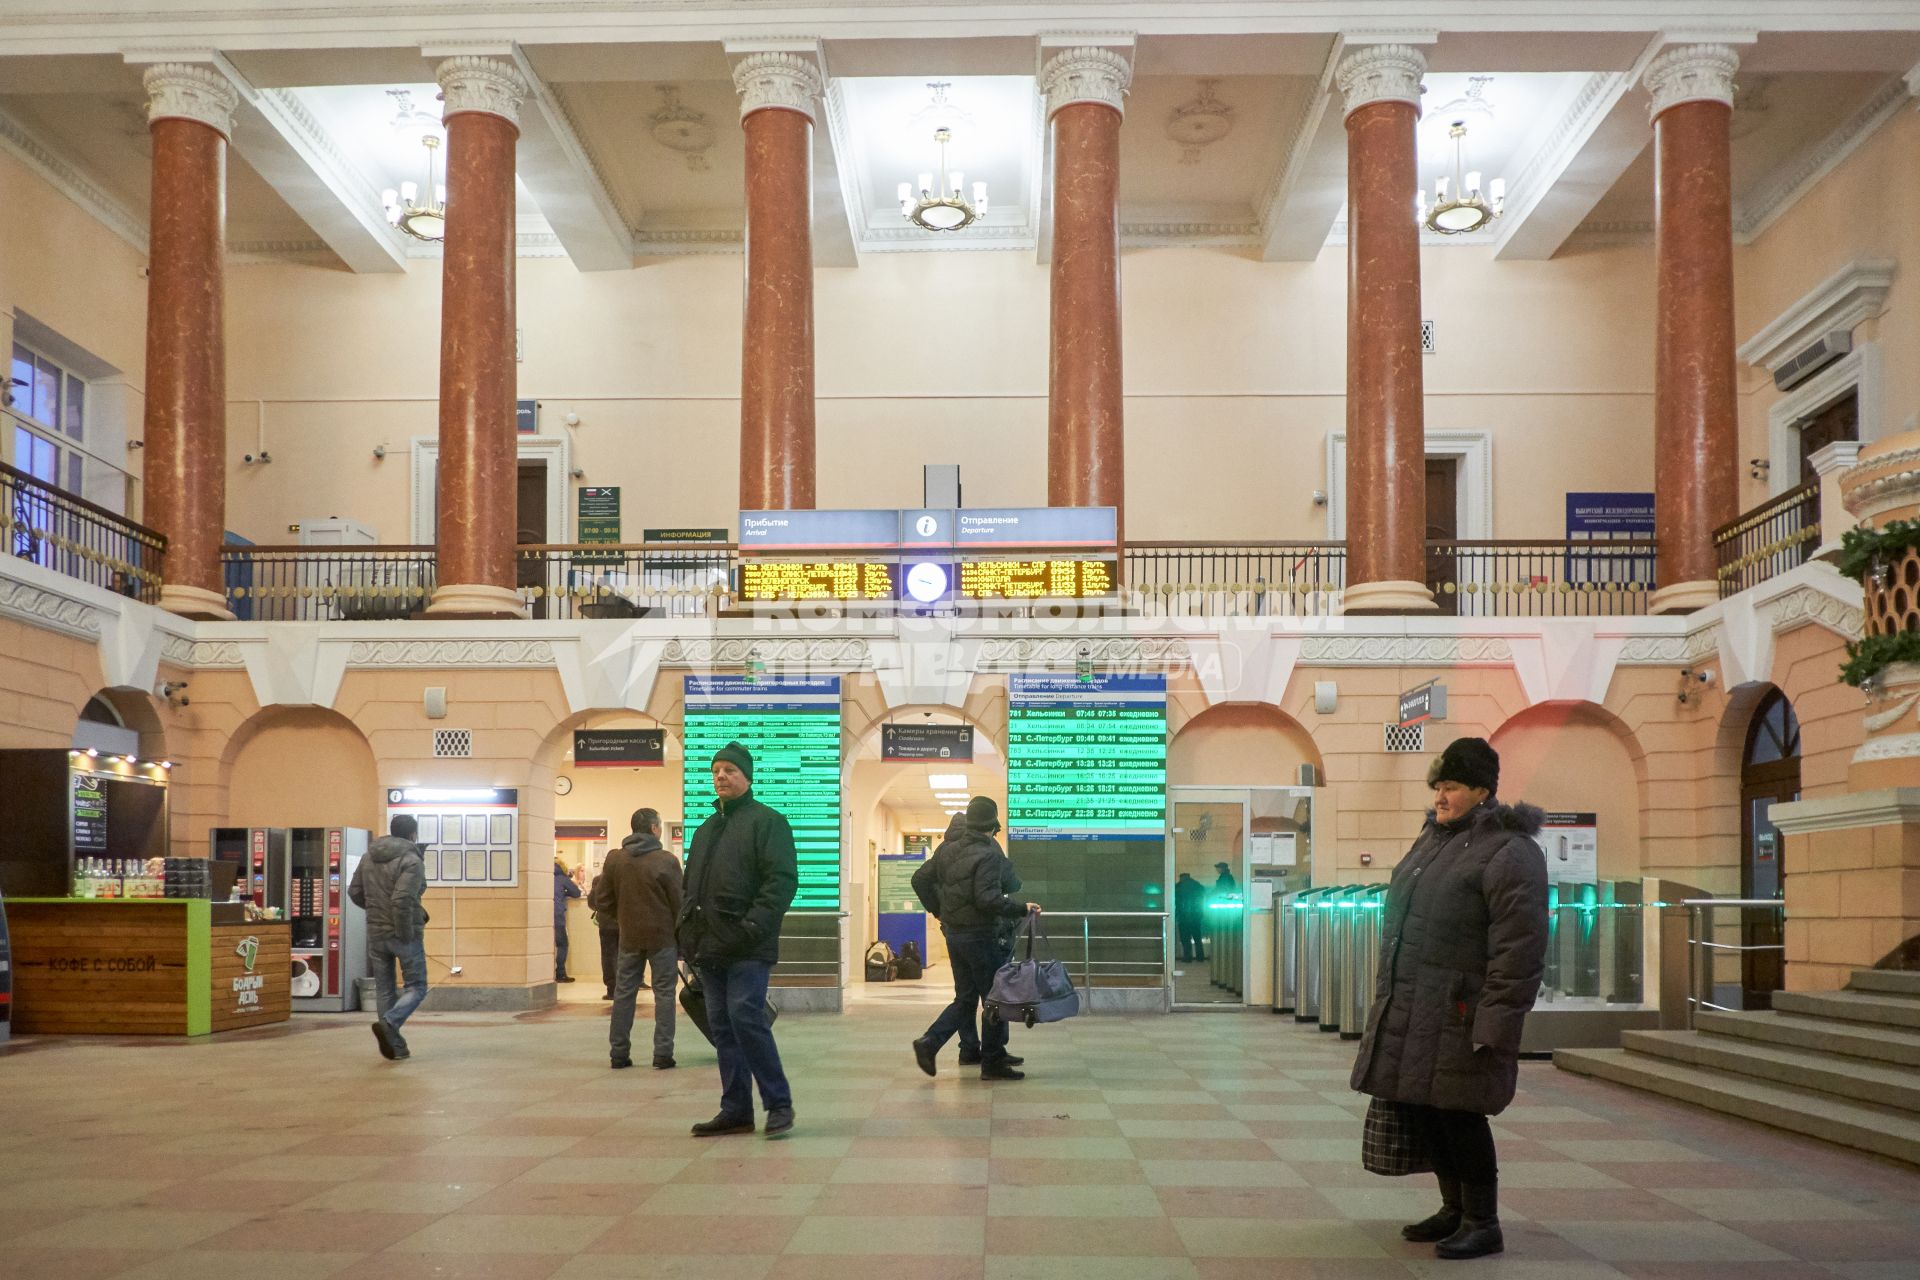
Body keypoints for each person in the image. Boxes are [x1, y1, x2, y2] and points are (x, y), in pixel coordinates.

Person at [1350, 736, 1548, 1262]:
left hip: (1463, 1009)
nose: (1440, 796)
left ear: (1483, 790)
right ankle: (1453, 1207)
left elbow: (1519, 946)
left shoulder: (1510, 851)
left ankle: (1484, 1221)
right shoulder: (1434, 840)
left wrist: (1498, 1020)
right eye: (1437, 786)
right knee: (1428, 1109)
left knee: (1461, 1114)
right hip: (1418, 1003)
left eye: (1452, 786)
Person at [677, 741, 799, 1138]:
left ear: (747, 776)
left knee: (747, 1019)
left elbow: (780, 883)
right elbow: (690, 887)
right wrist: (686, 939)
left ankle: (778, 1104)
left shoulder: (769, 822)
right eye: (716, 771)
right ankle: (736, 1110)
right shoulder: (707, 829)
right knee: (722, 1028)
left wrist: (751, 927)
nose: (721, 777)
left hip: (747, 945)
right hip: (708, 948)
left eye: (729, 770)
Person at [910, 796, 1039, 1082]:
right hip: (981, 935)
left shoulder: (947, 850)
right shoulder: (990, 854)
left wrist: (939, 911)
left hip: (955, 934)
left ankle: (931, 1042)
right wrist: (1022, 908)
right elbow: (988, 899)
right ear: (992, 826)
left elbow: (918, 879)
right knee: (995, 998)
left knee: (967, 998)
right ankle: (992, 1062)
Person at [593, 807, 684, 1070]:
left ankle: (619, 1053)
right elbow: (678, 904)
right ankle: (662, 1054)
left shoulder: (615, 860)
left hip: (629, 938)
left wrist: (623, 921)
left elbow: (603, 901)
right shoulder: (666, 860)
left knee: (624, 994)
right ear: (655, 829)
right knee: (665, 994)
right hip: (663, 938)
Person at [348, 815, 428, 1061]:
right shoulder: (411, 860)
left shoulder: (368, 857)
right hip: (403, 933)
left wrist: (376, 913)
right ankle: (390, 1023)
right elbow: (402, 899)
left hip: (376, 932)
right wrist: (403, 930)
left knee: (384, 988)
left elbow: (354, 891)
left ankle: (394, 1044)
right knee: (417, 986)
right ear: (413, 834)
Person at [589, 866, 620, 1000]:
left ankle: (612, 989)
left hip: (606, 924)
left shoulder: (599, 880)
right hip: (624, 923)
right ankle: (625, 987)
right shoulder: (623, 880)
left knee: (608, 956)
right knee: (624, 956)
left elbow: (592, 902)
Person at [553, 857, 582, 983]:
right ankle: (560, 973)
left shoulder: (543, 876)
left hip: (542, 915)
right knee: (562, 944)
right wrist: (564, 893)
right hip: (557, 914)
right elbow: (576, 893)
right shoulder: (562, 878)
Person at [1174, 871, 1207, 962]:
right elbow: (1203, 895)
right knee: (1197, 938)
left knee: (1185, 938)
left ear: (1181, 878)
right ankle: (1200, 957)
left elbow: (1176, 900)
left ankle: (1187, 957)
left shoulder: (1179, 887)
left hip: (1183, 917)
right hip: (1196, 916)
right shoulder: (1197, 885)